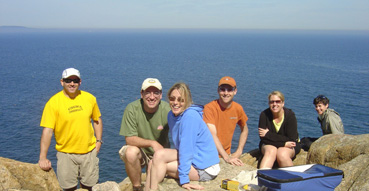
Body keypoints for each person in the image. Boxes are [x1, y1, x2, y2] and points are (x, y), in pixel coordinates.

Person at [145, 82, 220, 191]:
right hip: (193, 159)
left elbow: (186, 149)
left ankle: (153, 189)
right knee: (153, 161)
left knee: (158, 165)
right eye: (172, 99)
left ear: (187, 101)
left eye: (180, 100)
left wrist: (184, 180)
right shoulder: (171, 115)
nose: (175, 103)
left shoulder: (190, 117)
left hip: (205, 167)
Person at [38, 68, 103, 191]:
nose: (72, 83)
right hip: (66, 154)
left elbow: (97, 120)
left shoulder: (89, 98)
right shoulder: (53, 103)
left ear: (80, 82)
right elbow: (47, 131)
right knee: (68, 188)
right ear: (62, 82)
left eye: (75, 80)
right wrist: (43, 157)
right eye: (68, 80)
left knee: (90, 187)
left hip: (88, 152)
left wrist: (99, 141)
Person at [119, 78, 170, 191]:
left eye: (156, 92)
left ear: (161, 95)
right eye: (148, 92)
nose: (152, 97)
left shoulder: (168, 110)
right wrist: (152, 143)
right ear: (141, 94)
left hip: (160, 153)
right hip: (141, 152)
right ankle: (136, 187)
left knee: (152, 183)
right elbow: (129, 139)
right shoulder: (132, 109)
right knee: (130, 152)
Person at [203, 76, 249, 166]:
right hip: (209, 154)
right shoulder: (209, 108)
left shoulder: (238, 108)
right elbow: (212, 134)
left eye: (229, 90)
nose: (226, 93)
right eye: (222, 89)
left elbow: (245, 129)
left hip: (226, 153)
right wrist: (226, 158)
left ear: (235, 91)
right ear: (218, 90)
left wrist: (239, 150)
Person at [258, 91, 300, 169]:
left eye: (278, 101)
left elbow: (291, 139)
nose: (275, 104)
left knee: (282, 154)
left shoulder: (290, 116)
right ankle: (262, 176)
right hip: (269, 144)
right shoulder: (264, 115)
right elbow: (263, 138)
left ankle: (291, 179)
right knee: (271, 151)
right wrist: (284, 143)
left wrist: (268, 134)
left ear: (282, 103)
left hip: (291, 145)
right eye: (272, 102)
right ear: (269, 103)